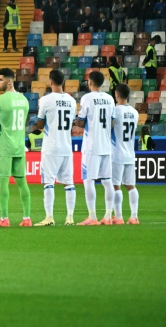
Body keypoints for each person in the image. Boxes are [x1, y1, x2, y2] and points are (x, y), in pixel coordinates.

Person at [32, 69, 77, 226]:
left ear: (50, 81)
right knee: (69, 183)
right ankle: (70, 217)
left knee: (48, 182)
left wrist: (35, 126)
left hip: (51, 147)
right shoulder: (72, 101)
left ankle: (49, 217)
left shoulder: (46, 100)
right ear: (63, 82)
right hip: (66, 146)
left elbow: (40, 123)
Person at [0, 68, 32, 227]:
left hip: (4, 149)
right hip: (19, 147)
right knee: (22, 182)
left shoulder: (0, 100)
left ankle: (4, 218)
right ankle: (27, 218)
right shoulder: (24, 100)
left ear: (9, 81)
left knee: (3, 183)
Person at [74, 71, 115, 226]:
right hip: (106, 145)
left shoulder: (87, 98)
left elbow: (81, 122)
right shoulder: (110, 99)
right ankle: (108, 216)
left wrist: (75, 121)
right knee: (107, 181)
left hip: (91, 146)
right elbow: (112, 122)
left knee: (88, 181)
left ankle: (92, 217)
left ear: (90, 82)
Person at [110, 84, 140, 225]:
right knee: (131, 186)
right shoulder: (135, 112)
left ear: (117, 94)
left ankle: (119, 216)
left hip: (117, 153)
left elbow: (109, 127)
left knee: (116, 186)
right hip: (129, 153)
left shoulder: (115, 111)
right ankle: (134, 216)